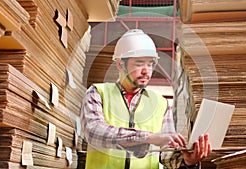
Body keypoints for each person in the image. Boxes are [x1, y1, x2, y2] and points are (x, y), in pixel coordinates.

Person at [80, 29, 211, 169]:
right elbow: (94, 132)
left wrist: (187, 161)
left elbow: (167, 155)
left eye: (150, 64)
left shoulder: (160, 103)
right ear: (120, 64)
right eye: (139, 63)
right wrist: (148, 137)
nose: (146, 71)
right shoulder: (98, 93)